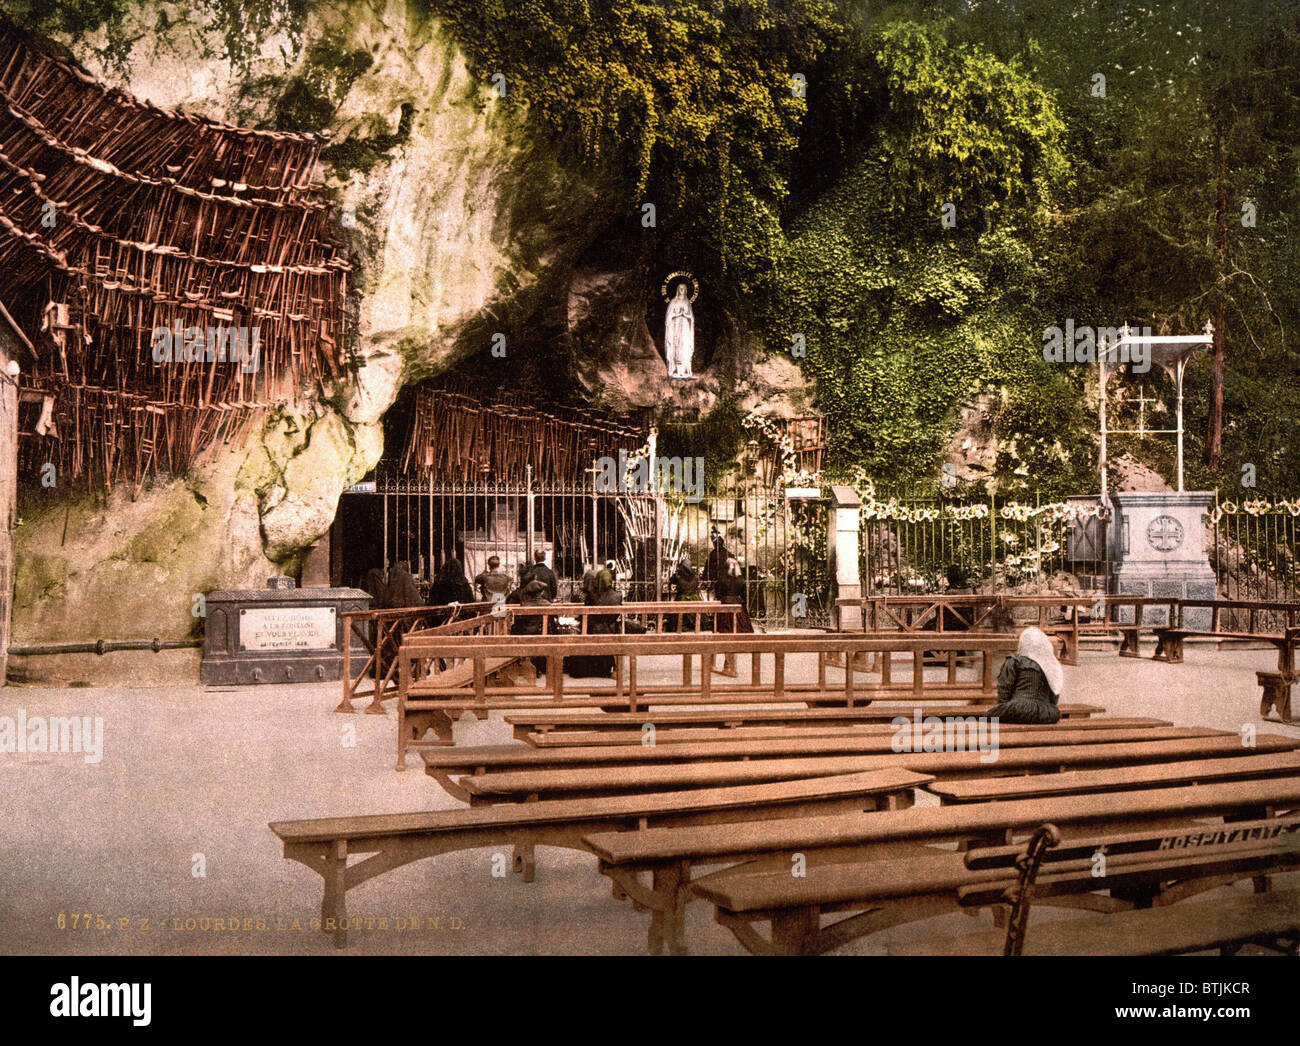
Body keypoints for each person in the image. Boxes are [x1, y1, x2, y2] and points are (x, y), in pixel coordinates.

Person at [986, 627, 1063, 724]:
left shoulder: (1015, 661)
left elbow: (1004, 690)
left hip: (1018, 709)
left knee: (988, 716)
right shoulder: (1052, 665)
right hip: (1045, 713)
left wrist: (1004, 708)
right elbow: (1054, 695)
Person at [712, 556, 753, 677]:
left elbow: (718, 594)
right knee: (734, 637)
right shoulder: (740, 579)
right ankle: (729, 663)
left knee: (724, 635)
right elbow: (744, 594)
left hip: (725, 609)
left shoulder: (722, 580)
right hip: (739, 609)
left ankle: (729, 664)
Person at [667, 554, 701, 632]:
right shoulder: (695, 577)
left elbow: (671, 581)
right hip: (694, 599)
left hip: (681, 599)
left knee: (678, 620)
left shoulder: (678, 577)